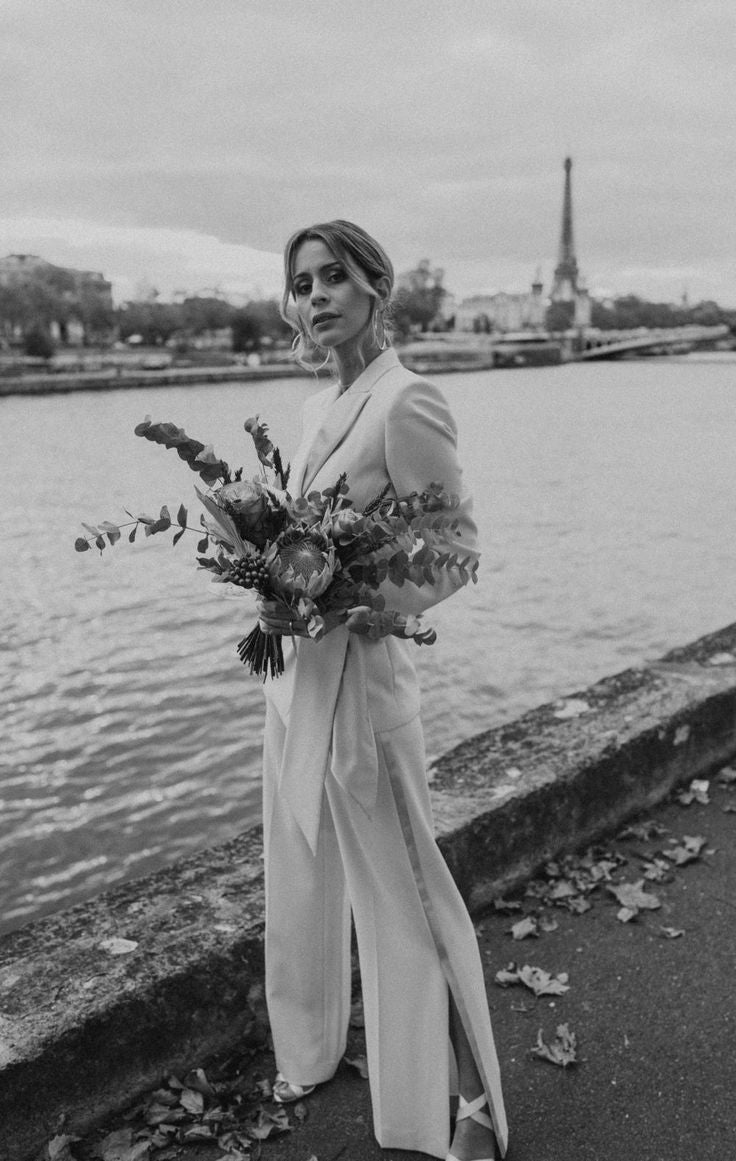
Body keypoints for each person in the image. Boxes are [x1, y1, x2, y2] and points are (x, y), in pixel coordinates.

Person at [257, 220, 507, 1161]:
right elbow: (305, 539)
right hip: (296, 686)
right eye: (301, 282)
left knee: (409, 903)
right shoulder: (320, 403)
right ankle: (316, 1052)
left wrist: (351, 594)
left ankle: (473, 1104)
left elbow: (458, 552)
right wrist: (280, 590)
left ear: (376, 285)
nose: (314, 296)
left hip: (364, 690)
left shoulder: (408, 400)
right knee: (306, 883)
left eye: (332, 277)